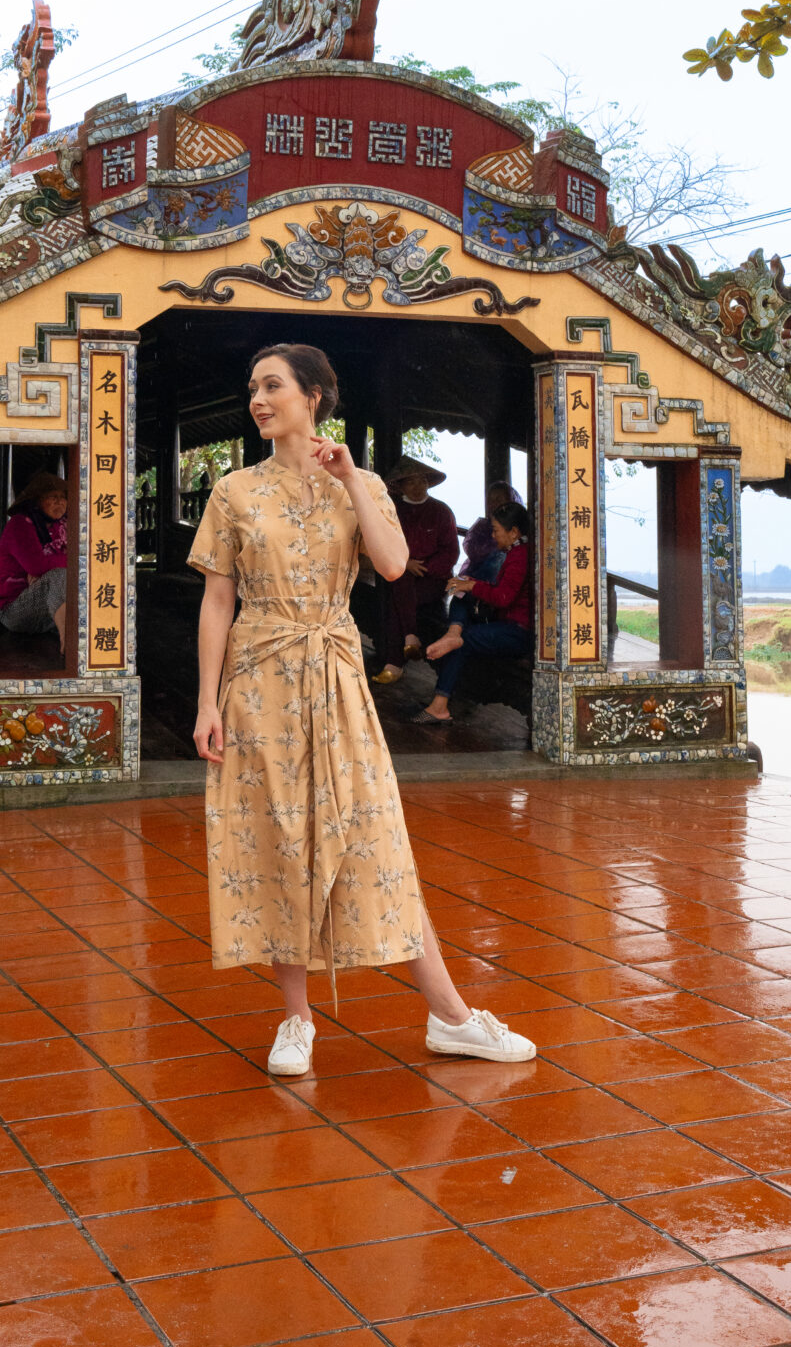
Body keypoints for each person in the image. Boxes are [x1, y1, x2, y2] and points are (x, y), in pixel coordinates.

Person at [190, 343, 535, 1077]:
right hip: (258, 681)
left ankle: (452, 1017)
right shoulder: (234, 491)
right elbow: (218, 599)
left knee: (374, 838)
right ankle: (295, 1019)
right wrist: (204, 702)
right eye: (253, 387)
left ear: (313, 396)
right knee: (278, 838)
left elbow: (387, 563)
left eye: (273, 385)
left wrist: (349, 481)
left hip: (338, 677)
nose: (258, 399)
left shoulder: (366, 481)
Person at [418, 502, 533, 724]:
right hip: (503, 622)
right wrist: (469, 584)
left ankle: (440, 704)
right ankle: (452, 634)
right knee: (462, 597)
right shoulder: (513, 552)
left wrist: (472, 586)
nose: (493, 535)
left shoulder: (520, 556)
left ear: (514, 532)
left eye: (496, 530)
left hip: (517, 632)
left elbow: (503, 598)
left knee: (465, 638)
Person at [371, 455, 460, 686]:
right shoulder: (393, 511)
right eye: (411, 482)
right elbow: (383, 542)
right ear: (400, 486)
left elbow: (451, 552)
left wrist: (425, 568)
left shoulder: (442, 512)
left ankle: (395, 663)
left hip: (432, 579)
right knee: (400, 580)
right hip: (402, 571)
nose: (418, 486)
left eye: (421, 481)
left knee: (397, 597)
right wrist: (406, 563)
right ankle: (409, 638)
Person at [0, 471, 68, 649]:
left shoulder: (64, 526)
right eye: (52, 496)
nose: (60, 501)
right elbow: (37, 565)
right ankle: (70, 640)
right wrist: (59, 566)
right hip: (14, 611)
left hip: (48, 614)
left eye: (63, 497)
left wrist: (45, 573)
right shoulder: (19, 525)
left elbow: (84, 560)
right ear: (37, 501)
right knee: (59, 575)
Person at [459, 480, 523, 580]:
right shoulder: (482, 526)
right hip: (477, 574)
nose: (494, 504)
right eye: (491, 500)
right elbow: (471, 549)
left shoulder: (518, 529)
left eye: (499, 499)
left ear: (511, 501)